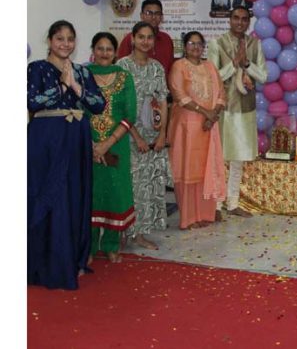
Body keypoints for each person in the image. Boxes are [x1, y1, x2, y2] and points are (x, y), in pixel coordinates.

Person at [28, 20, 106, 289]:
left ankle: (73, 259)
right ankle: (44, 263)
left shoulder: (83, 72)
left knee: (75, 196)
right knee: (50, 195)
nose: (65, 44)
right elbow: (31, 101)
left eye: (70, 39)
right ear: (49, 41)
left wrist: (75, 86)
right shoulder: (36, 68)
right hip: (47, 139)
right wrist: (61, 86)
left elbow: (98, 105)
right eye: (59, 38)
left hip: (76, 139)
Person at [207, 5, 268, 218]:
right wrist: (234, 64)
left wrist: (247, 63)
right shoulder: (217, 43)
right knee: (219, 157)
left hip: (246, 108)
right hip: (224, 108)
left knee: (238, 159)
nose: (240, 22)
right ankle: (214, 205)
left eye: (244, 19)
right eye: (236, 18)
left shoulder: (254, 44)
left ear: (248, 22)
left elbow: (263, 76)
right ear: (229, 20)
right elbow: (213, 77)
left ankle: (232, 203)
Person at [117, 22, 170, 250]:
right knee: (132, 185)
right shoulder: (122, 67)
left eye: (149, 37)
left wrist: (162, 135)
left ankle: (141, 234)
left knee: (150, 185)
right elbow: (119, 106)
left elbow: (165, 102)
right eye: (141, 37)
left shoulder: (157, 67)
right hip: (128, 135)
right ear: (133, 39)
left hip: (153, 135)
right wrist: (136, 136)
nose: (145, 41)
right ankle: (123, 232)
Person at [86, 32, 137, 264]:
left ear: (116, 53)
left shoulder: (124, 77)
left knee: (116, 193)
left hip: (117, 145)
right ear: (93, 50)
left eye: (109, 49)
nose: (104, 53)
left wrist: (107, 143)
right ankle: (87, 248)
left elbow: (130, 115)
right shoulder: (83, 75)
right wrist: (92, 145)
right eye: (100, 48)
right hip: (87, 145)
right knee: (91, 193)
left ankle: (111, 245)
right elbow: (77, 110)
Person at [167, 31, 227, 229]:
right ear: (185, 46)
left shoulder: (210, 66)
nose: (195, 47)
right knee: (187, 171)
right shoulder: (179, 66)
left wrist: (212, 115)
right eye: (191, 43)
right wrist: (206, 113)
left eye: (199, 44)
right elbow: (179, 95)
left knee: (205, 170)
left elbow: (221, 94)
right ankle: (188, 218)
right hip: (187, 128)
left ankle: (205, 214)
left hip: (208, 127)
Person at [117, 0, 175, 78]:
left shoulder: (166, 39)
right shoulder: (130, 38)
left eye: (157, 13)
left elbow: (170, 69)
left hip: (162, 87)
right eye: (149, 13)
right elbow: (120, 69)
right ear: (142, 16)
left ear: (161, 17)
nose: (153, 17)